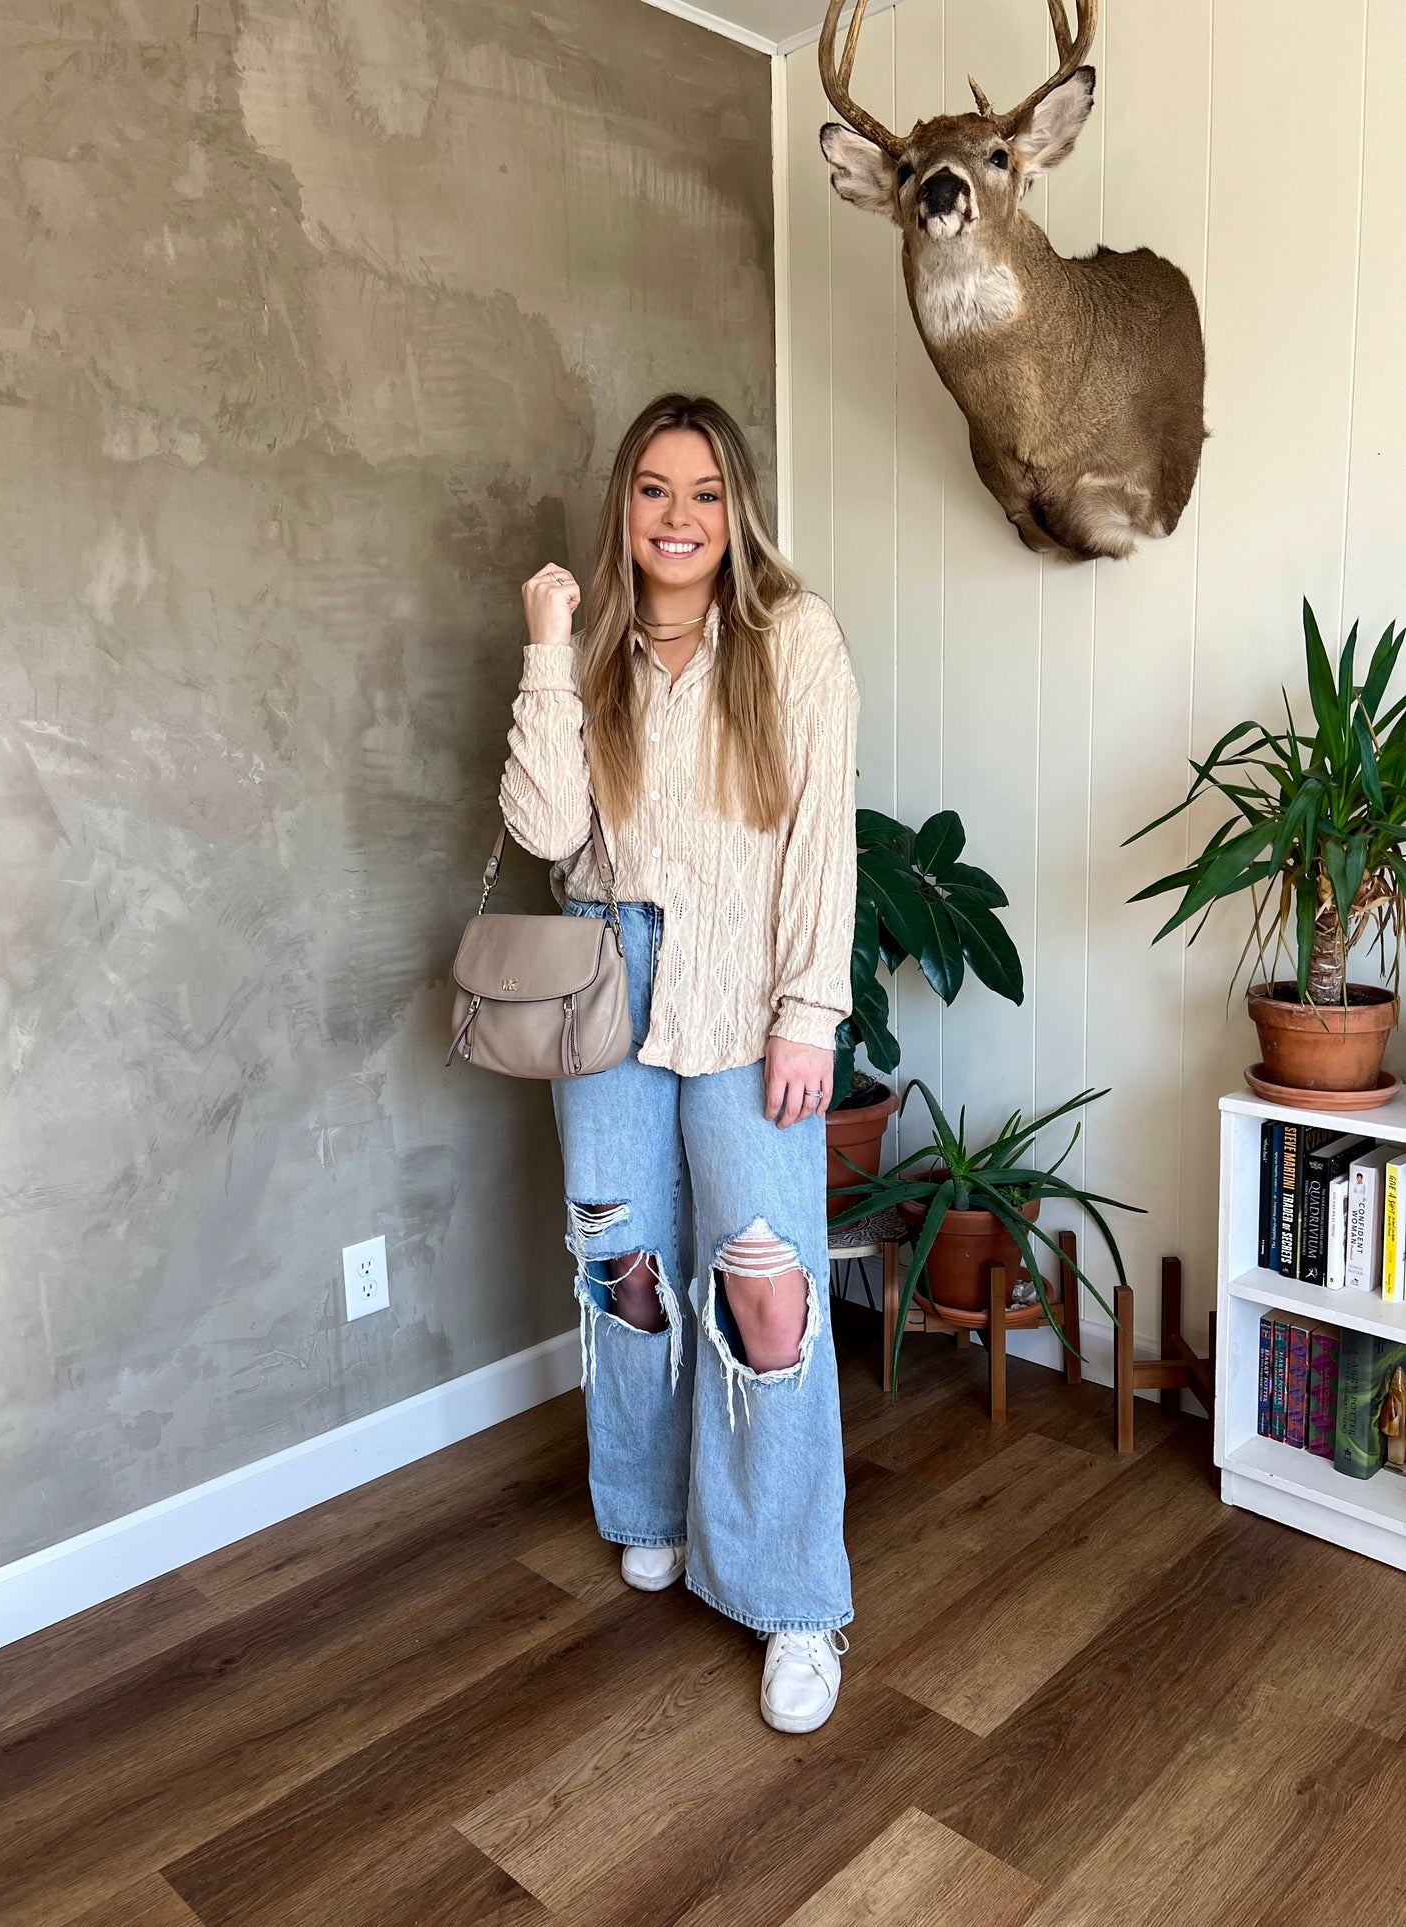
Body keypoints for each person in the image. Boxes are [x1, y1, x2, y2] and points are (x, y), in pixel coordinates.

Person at [498, 393, 859, 1734]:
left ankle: (790, 1594)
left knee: (769, 1292)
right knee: (625, 1267)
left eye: (703, 492)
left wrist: (808, 1012)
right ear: (623, 508)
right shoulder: (587, 649)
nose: (677, 518)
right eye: (653, 491)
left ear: (736, 507)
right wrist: (546, 649)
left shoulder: (794, 638)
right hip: (606, 982)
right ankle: (645, 1507)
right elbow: (545, 830)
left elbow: (824, 839)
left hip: (747, 982)